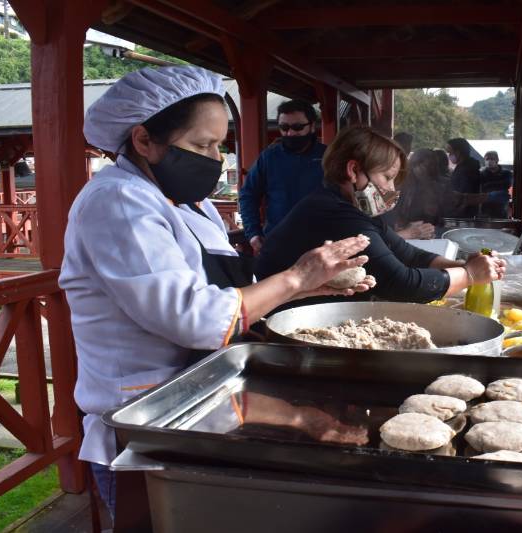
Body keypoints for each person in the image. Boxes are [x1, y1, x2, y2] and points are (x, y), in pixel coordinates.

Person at [60, 66, 373, 517]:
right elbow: (198, 319)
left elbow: (228, 288)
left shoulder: (191, 203)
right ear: (144, 140)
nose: (215, 159)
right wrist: (295, 278)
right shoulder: (119, 201)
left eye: (219, 145)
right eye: (201, 145)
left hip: (206, 398)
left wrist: (304, 291)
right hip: (145, 422)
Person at [256, 126, 506, 308]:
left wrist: (465, 266)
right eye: (387, 177)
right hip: (280, 318)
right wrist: (470, 275)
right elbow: (402, 284)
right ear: (354, 170)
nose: (391, 189)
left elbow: (410, 254)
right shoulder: (336, 214)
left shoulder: (349, 207)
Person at [238, 99, 327, 255]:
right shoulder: (268, 158)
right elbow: (248, 195)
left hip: (322, 242)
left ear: (312, 126)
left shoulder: (328, 157)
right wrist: (253, 233)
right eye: (284, 127)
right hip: (277, 243)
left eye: (298, 127)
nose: (290, 133)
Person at [446, 137, 482, 217]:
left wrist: (455, 212)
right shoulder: (463, 167)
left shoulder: (467, 170)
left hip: (464, 215)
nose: (449, 155)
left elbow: (464, 195)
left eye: (450, 152)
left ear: (458, 152)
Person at [479, 150, 513, 218]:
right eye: (487, 159)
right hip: (486, 207)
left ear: (497, 160)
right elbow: (481, 188)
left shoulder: (506, 173)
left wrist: (488, 185)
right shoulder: (481, 174)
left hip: (502, 208)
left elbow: (506, 184)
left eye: (492, 159)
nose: (489, 161)